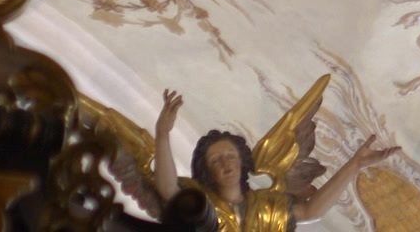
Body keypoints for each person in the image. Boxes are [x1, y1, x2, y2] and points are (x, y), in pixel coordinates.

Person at [152, 89, 396, 232]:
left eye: (230, 156)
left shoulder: (266, 206)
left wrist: (355, 164)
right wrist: (163, 134)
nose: (226, 163)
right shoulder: (202, 204)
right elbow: (168, 190)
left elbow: (311, 210)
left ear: (242, 162)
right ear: (207, 171)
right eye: (216, 160)